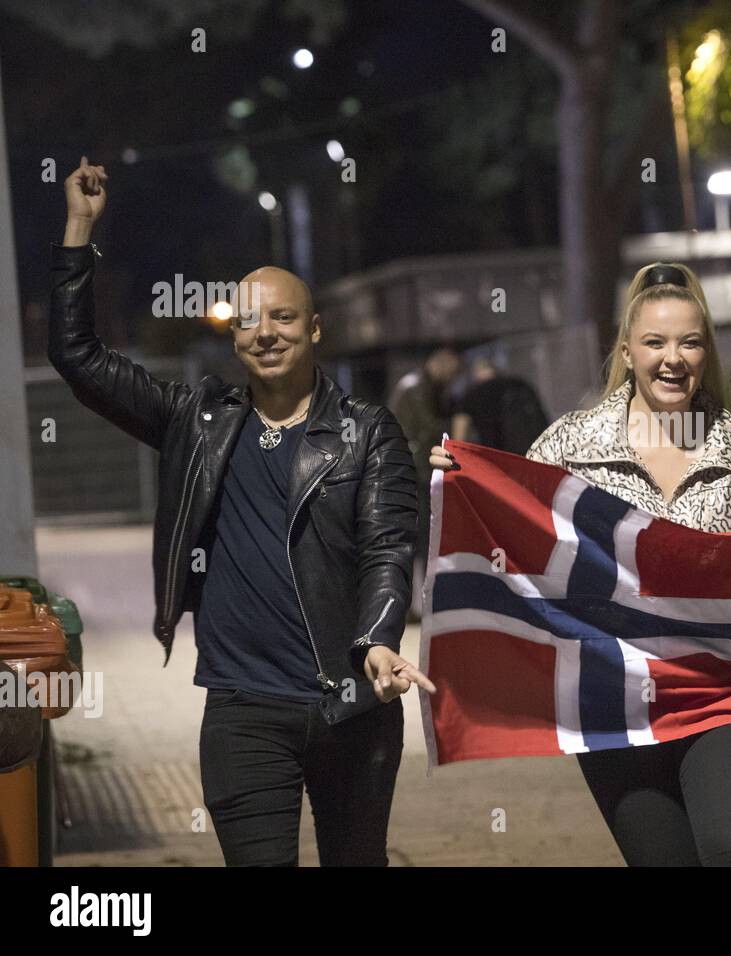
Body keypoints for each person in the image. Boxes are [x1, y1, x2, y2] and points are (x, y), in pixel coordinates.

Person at [48, 157, 434, 866]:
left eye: (283, 318)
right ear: (234, 336)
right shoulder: (195, 420)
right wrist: (80, 229)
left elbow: (387, 546)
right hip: (243, 713)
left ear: (314, 329)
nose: (267, 333)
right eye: (251, 321)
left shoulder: (367, 429)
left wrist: (379, 639)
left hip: (351, 704)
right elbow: (77, 357)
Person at [431, 262, 731, 866]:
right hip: (611, 697)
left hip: (724, 689)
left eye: (689, 341)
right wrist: (463, 482)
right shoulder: (570, 443)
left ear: (706, 351)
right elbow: (514, 522)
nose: (672, 357)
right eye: (655, 342)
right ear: (627, 352)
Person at [391, 348, 462, 619]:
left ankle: (415, 604)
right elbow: (426, 427)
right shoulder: (418, 389)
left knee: (420, 538)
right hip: (415, 472)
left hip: (416, 471)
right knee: (418, 538)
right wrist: (454, 423)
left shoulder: (419, 386)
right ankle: (414, 604)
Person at [451, 357, 550, 455]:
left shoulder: (471, 394)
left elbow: (459, 434)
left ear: (476, 373)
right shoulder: (521, 384)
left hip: (500, 456)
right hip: (536, 449)